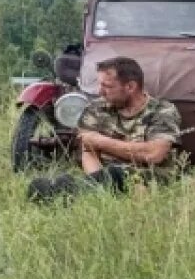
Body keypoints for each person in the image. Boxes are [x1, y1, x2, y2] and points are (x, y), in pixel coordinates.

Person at [28, 56, 181, 202]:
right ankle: (66, 191)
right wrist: (100, 182)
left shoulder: (162, 111)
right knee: (110, 175)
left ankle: (60, 192)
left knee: (117, 173)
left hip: (149, 177)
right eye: (99, 84)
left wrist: (100, 142)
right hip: (104, 175)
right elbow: (88, 151)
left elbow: (154, 154)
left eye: (107, 86)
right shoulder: (96, 109)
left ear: (130, 87)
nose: (100, 91)